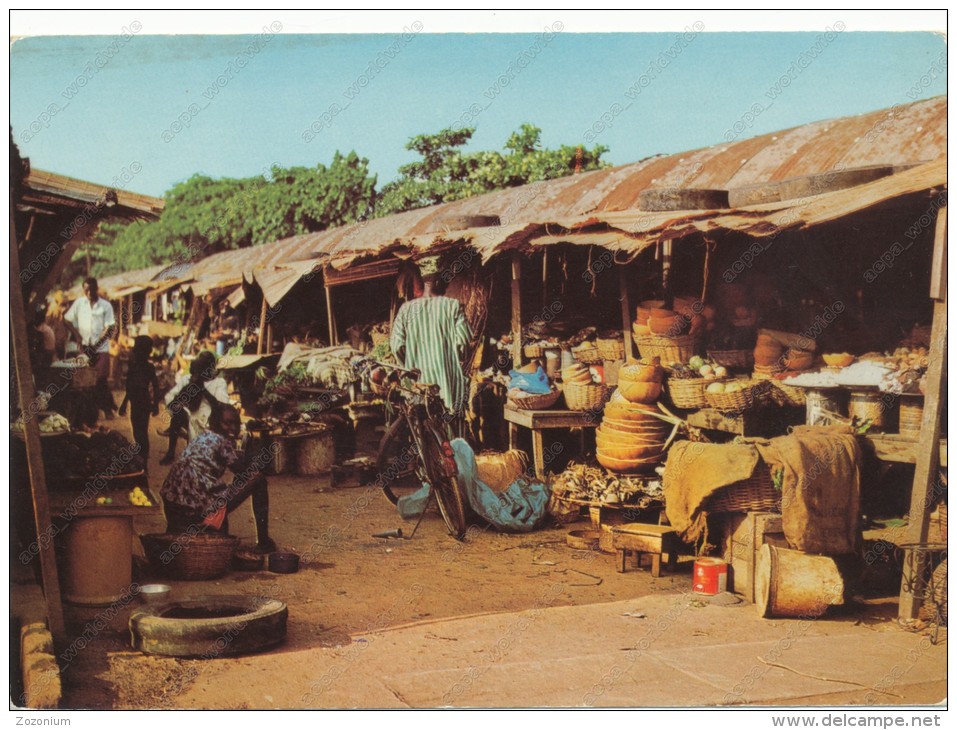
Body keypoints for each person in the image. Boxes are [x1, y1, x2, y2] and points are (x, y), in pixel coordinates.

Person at [160, 404, 275, 554]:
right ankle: (264, 542)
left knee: (223, 487)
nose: (232, 428)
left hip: (173, 507)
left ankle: (213, 526)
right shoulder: (222, 442)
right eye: (227, 423)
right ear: (214, 422)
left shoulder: (202, 437)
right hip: (195, 509)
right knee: (258, 480)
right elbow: (243, 471)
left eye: (235, 423)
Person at [391, 255, 471, 431]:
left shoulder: (406, 310)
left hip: (418, 385)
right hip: (447, 384)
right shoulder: (453, 306)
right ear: (439, 282)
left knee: (421, 431)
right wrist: (455, 359)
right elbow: (463, 342)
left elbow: (397, 346)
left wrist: (409, 364)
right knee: (450, 432)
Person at [159, 350, 230, 465]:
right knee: (177, 412)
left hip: (208, 418)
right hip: (189, 415)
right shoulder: (190, 380)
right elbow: (171, 400)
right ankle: (171, 452)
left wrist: (203, 389)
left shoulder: (219, 383)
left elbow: (222, 405)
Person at [63, 277, 117, 423]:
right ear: (83, 290)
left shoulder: (105, 306)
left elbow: (110, 327)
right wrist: (77, 336)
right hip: (85, 348)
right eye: (86, 290)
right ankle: (90, 414)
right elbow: (66, 319)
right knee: (85, 382)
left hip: (100, 348)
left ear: (96, 289)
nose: (89, 293)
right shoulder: (79, 303)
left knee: (100, 379)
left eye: (92, 290)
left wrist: (98, 342)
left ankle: (107, 408)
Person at [118, 336, 160, 464]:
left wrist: (156, 404)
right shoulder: (134, 367)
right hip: (135, 402)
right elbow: (129, 386)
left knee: (142, 433)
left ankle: (144, 461)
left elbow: (156, 386)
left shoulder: (149, 367)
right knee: (137, 433)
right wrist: (124, 403)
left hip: (143, 402)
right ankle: (142, 458)